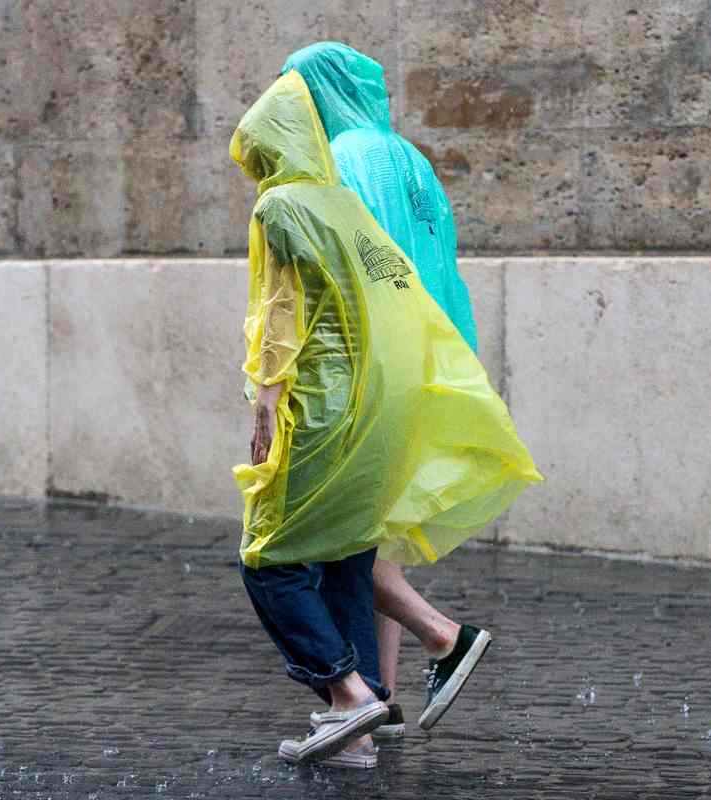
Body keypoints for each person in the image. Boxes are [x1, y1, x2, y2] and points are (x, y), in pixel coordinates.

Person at [230, 67, 540, 767]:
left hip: (325, 396)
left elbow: (278, 308)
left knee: (268, 558)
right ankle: (361, 723)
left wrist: (270, 392)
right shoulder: (355, 194)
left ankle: (352, 696)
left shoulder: (283, 205)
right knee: (350, 551)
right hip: (387, 386)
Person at [282, 42, 491, 735]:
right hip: (429, 355)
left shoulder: (343, 160)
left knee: (311, 534)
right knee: (376, 537)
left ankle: (442, 635)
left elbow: (351, 271)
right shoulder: (408, 157)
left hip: (371, 365)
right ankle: (379, 695)